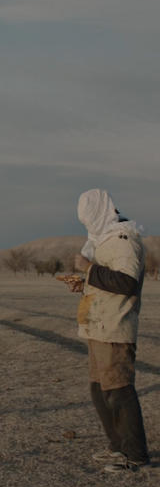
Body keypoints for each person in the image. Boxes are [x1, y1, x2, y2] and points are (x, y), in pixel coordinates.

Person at [71, 188, 149, 472]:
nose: (89, 225)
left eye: (91, 218)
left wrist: (89, 269)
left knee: (118, 390)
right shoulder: (103, 240)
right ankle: (117, 448)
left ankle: (135, 454)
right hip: (98, 324)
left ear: (103, 212)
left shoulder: (123, 240)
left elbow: (126, 282)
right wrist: (84, 282)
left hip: (115, 326)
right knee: (99, 389)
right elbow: (109, 280)